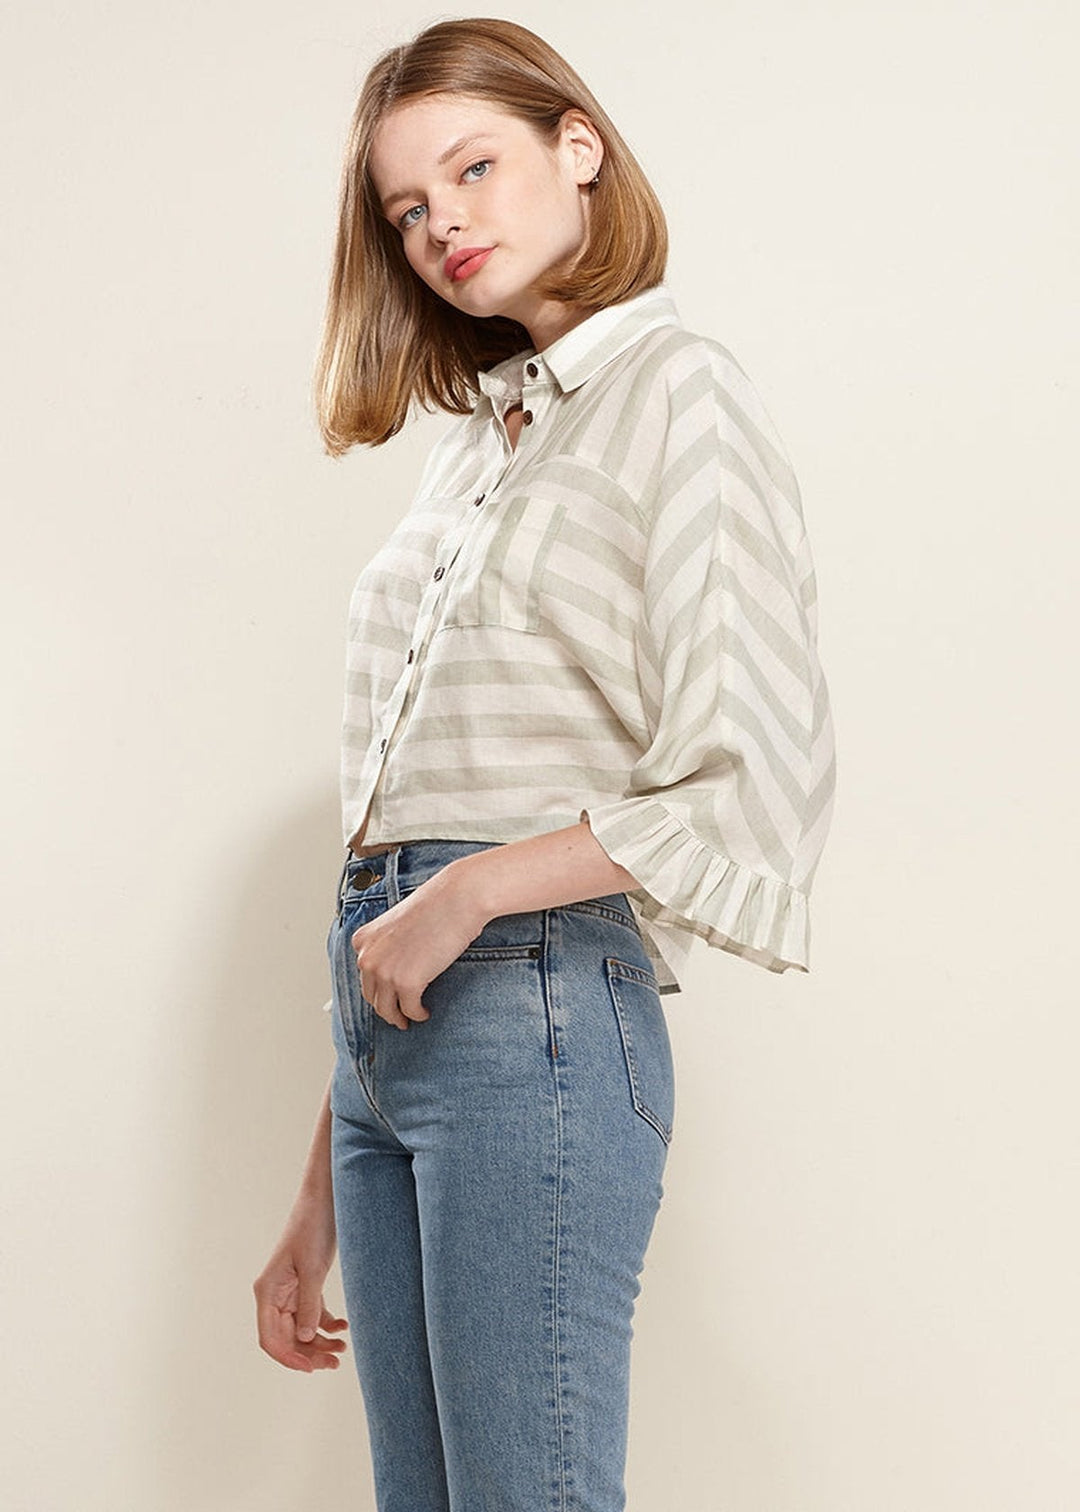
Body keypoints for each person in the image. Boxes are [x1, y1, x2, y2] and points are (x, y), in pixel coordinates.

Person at [253, 16, 836, 1511]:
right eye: (407, 208)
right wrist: (323, 1182)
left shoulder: (678, 390)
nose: (440, 223)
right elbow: (408, 843)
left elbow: (747, 778)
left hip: (536, 1007)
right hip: (390, 1035)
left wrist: (469, 895)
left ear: (579, 148)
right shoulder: (476, 445)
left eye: (472, 167)